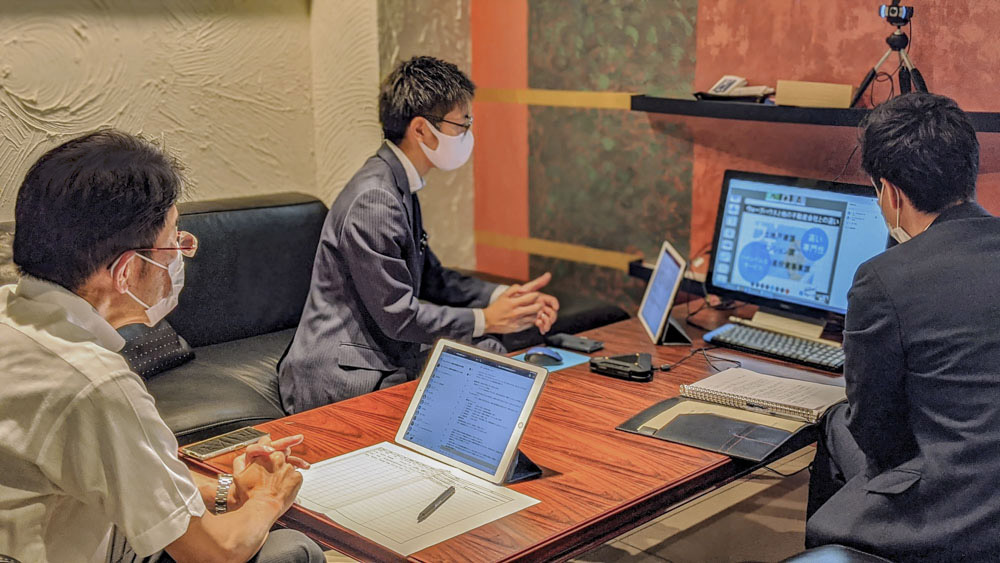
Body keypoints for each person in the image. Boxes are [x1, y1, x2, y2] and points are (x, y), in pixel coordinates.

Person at [0, 130, 324, 563]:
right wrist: (269, 496)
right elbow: (216, 550)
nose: (180, 254)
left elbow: (126, 471)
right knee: (289, 549)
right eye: (174, 240)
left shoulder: (10, 312)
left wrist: (228, 490)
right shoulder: (96, 386)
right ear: (126, 271)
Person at [279, 56, 559, 413]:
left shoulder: (397, 184)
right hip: (343, 373)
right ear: (422, 130)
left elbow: (432, 278)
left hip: (381, 352)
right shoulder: (375, 200)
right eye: (463, 122)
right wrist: (486, 318)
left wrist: (507, 296)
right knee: (486, 360)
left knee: (490, 354)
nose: (468, 133)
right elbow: (398, 316)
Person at [806, 92, 1000, 561]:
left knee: (838, 422)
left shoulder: (883, 278)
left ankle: (836, 547)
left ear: (889, 193)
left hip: (949, 521)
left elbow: (875, 427)